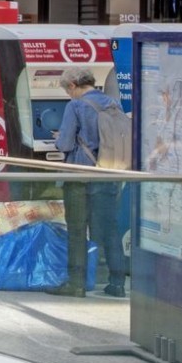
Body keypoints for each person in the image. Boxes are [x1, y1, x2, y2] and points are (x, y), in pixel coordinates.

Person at [52, 69, 128, 298]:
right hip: (107, 173)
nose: (68, 95)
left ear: (73, 85)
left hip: (80, 175)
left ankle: (76, 284)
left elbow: (65, 144)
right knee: (110, 229)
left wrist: (58, 139)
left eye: (67, 90)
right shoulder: (113, 104)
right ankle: (117, 283)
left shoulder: (75, 106)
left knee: (76, 230)